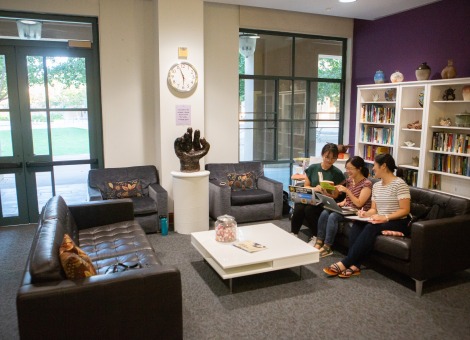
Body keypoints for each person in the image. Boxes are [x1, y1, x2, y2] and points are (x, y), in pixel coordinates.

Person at [323, 153, 411, 278]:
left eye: (375, 165)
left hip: (399, 221)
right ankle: (356, 265)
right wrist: (365, 214)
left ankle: (346, 262)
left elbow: (405, 210)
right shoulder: (377, 185)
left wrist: (385, 217)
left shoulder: (399, 184)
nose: (373, 168)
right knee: (358, 223)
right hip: (380, 219)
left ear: (384, 166)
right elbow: (374, 209)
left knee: (371, 227)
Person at [315, 156, 372, 257]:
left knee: (333, 216)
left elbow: (359, 203)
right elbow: (350, 198)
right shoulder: (350, 180)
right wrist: (343, 202)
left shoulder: (366, 184)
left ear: (359, 169)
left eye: (350, 169)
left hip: (357, 212)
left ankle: (327, 247)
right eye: (347, 168)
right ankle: (319, 241)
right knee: (325, 211)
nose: (348, 171)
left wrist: (347, 191)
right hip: (348, 209)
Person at [290, 143, 346, 242]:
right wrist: (315, 188)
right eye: (327, 157)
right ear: (322, 155)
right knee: (299, 206)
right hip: (311, 197)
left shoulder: (337, 173)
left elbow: (337, 195)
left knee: (309, 209)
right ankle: (294, 234)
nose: (329, 160)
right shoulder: (313, 168)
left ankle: (316, 236)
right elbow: (306, 186)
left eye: (333, 158)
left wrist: (329, 193)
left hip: (325, 201)